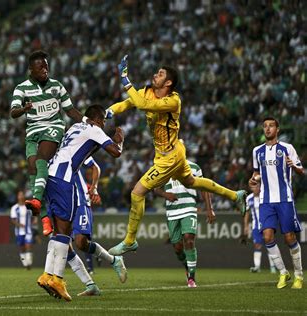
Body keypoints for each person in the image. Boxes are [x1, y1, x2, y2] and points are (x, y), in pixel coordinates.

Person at [106, 56, 247, 256]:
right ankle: (235, 195)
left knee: (137, 193)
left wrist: (125, 79)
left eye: (161, 74)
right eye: (156, 72)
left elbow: (144, 106)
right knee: (191, 182)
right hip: (171, 152)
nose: (155, 75)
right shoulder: (146, 92)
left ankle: (130, 240)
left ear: (169, 82)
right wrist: (109, 110)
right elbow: (129, 103)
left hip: (170, 157)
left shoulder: (173, 101)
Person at [36, 104, 124, 302]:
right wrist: (120, 141)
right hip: (64, 179)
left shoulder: (76, 127)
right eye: (103, 121)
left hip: (50, 175)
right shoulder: (94, 130)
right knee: (65, 232)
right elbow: (115, 152)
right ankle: (57, 279)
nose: (104, 124)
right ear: (99, 120)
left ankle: (47, 275)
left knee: (59, 231)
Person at [10, 50, 89, 236]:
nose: (45, 70)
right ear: (31, 70)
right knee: (32, 169)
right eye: (40, 67)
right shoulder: (21, 88)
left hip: (54, 127)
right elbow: (13, 113)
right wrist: (24, 109)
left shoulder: (57, 86)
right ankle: (45, 218)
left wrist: (88, 122)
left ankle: (36, 200)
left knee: (41, 159)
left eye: (46, 66)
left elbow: (71, 112)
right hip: (33, 131)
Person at [249, 117, 304, 289]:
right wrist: (254, 179)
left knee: (289, 238)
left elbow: (301, 170)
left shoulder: (287, 148)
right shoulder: (257, 151)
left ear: (277, 129)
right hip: (266, 200)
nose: (267, 129)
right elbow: (257, 172)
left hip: (284, 199)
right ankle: (282, 272)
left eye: (271, 126)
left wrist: (293, 166)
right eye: (265, 126)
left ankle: (299, 275)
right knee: (267, 236)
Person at [68, 156, 127, 297]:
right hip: (61, 205)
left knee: (81, 242)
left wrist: (93, 188)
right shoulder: (46, 159)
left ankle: (114, 260)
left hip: (79, 202)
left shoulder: (73, 147)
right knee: (65, 248)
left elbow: (95, 166)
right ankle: (90, 285)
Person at [153, 159, 215, 288]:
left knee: (189, 239)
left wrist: (209, 209)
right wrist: (165, 194)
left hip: (189, 208)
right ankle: (187, 265)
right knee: (177, 247)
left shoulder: (194, 167)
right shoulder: (164, 167)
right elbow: (155, 189)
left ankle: (191, 278)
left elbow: (204, 187)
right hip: (172, 211)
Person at [243, 183, 277, 274]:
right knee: (257, 245)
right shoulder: (249, 198)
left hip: (266, 224)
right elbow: (247, 213)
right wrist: (246, 226)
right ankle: (257, 267)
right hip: (255, 226)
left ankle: (273, 267)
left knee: (270, 244)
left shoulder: (265, 196)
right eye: (254, 186)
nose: (256, 188)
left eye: (258, 186)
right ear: (251, 188)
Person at [10, 190, 36, 270]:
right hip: (19, 231)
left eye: (22, 195)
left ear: (24, 196)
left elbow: (34, 214)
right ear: (17, 197)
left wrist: (35, 220)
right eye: (19, 195)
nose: (21, 196)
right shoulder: (14, 208)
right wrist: (19, 224)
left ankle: (29, 263)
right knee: (22, 248)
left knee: (28, 246)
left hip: (28, 230)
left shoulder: (28, 205)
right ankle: (25, 263)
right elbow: (13, 220)